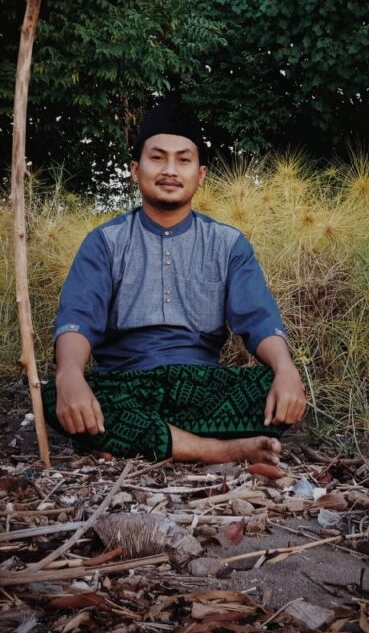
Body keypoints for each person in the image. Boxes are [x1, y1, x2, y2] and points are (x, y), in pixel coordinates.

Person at [42, 98, 307, 465]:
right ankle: (219, 448)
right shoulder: (105, 242)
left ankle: (138, 439)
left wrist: (285, 369)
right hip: (126, 383)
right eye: (157, 158)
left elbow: (258, 318)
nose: (170, 170)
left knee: (272, 388)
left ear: (201, 174)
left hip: (201, 388)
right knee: (53, 395)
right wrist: (70, 375)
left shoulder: (228, 244)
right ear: (135, 170)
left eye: (183, 160)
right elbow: (79, 317)